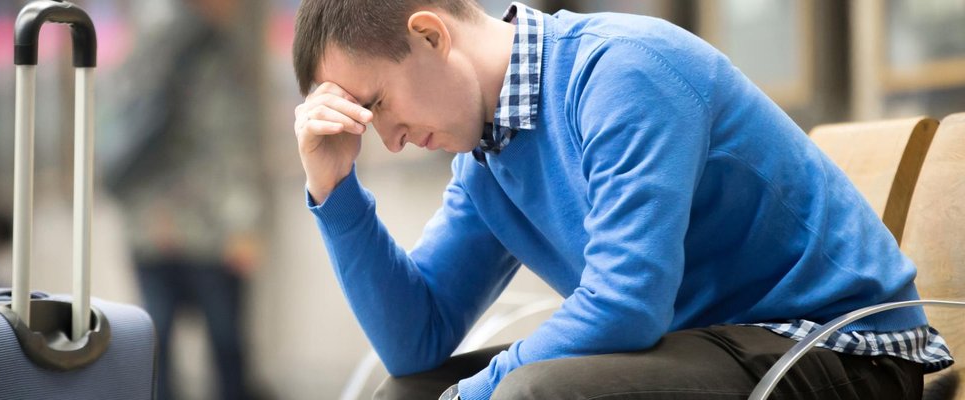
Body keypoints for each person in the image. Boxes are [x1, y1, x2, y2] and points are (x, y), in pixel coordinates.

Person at [289, 1, 952, 399]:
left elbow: (626, 304)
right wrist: (335, 189)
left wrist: (485, 388)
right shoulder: (487, 157)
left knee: (532, 395)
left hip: (836, 349)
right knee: (405, 394)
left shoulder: (622, 72)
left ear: (431, 36)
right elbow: (417, 342)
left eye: (377, 106)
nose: (392, 142)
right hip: (701, 346)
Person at [104, 0, 263, 398]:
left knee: (159, 346)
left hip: (152, 225)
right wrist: (244, 224)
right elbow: (231, 145)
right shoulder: (208, 51)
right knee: (225, 348)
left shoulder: (141, 38)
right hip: (207, 228)